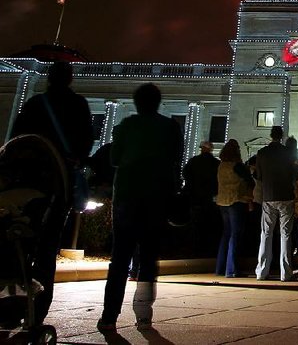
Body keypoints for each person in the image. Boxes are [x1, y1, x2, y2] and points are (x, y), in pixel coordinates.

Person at [11, 61, 93, 325]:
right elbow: (86, 143)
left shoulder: (35, 103)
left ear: (48, 78)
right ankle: (39, 309)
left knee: (20, 240)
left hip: (28, 182)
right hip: (59, 182)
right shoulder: (78, 105)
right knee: (48, 246)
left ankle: (13, 302)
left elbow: (15, 140)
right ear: (70, 79)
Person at [97, 83, 183, 333]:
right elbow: (175, 161)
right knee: (148, 257)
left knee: (120, 257)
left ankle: (109, 316)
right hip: (157, 197)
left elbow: (114, 159)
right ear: (158, 102)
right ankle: (144, 315)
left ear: (136, 103)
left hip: (127, 196)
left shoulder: (125, 126)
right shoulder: (170, 128)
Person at [254, 125, 298, 281]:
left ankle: (262, 271)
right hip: (286, 196)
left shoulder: (262, 153)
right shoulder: (288, 153)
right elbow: (295, 174)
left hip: (268, 196)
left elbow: (258, 176)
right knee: (286, 235)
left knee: (266, 234)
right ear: (281, 136)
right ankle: (285, 273)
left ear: (270, 135)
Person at [215, 139, 254, 278]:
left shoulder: (221, 166)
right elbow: (250, 181)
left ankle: (220, 268)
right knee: (235, 235)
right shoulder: (238, 166)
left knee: (226, 234)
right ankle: (232, 269)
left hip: (222, 202)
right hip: (237, 201)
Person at [183, 140, 220, 257]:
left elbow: (186, 174)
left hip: (194, 196)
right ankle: (205, 248)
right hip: (208, 197)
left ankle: (193, 247)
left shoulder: (194, 161)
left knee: (194, 223)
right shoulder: (215, 163)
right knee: (207, 224)